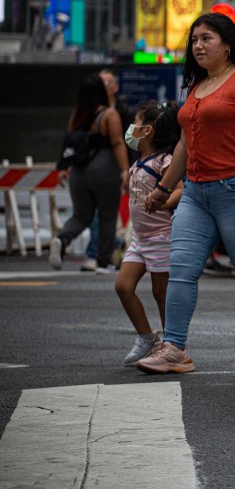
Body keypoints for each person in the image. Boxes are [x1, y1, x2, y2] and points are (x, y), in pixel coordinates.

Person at [136, 13, 235, 374]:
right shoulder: (195, 88)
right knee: (182, 269)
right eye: (194, 40)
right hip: (195, 194)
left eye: (207, 39)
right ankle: (175, 348)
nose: (198, 45)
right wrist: (163, 188)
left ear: (227, 44)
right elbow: (186, 145)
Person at [117, 101, 183, 366]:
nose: (131, 128)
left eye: (136, 122)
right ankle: (147, 338)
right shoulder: (138, 163)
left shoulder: (163, 161)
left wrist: (162, 202)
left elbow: (179, 190)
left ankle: (172, 343)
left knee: (161, 291)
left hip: (160, 237)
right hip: (139, 239)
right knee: (123, 286)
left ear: (148, 131)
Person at [49, 73, 130, 272]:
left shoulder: (77, 114)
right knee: (107, 216)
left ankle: (62, 239)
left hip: (79, 170)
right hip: (104, 169)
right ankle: (103, 261)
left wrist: (63, 167)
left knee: (81, 216)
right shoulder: (109, 115)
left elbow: (68, 141)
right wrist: (125, 170)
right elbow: (118, 143)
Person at [85, 68, 133, 273]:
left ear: (115, 86)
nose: (101, 87)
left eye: (105, 83)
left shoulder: (123, 112)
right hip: (96, 168)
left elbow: (127, 143)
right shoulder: (89, 111)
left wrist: (127, 170)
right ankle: (106, 247)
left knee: (106, 214)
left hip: (116, 168)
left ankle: (99, 251)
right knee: (94, 212)